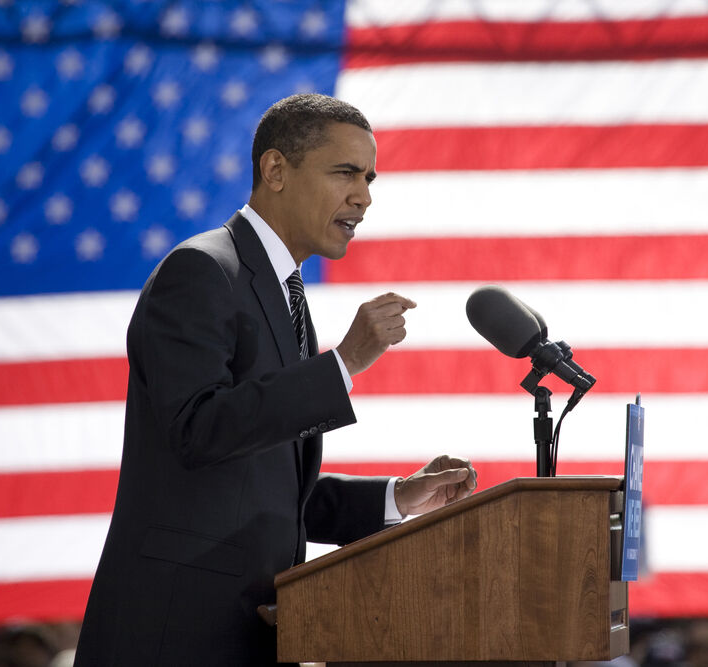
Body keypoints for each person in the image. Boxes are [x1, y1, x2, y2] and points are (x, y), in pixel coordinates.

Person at [73, 93, 477, 666]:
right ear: (276, 170)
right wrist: (344, 363)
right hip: (174, 631)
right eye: (345, 172)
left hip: (248, 630)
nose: (363, 196)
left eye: (369, 178)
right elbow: (198, 431)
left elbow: (263, 487)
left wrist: (396, 497)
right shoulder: (202, 270)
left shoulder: (286, 293)